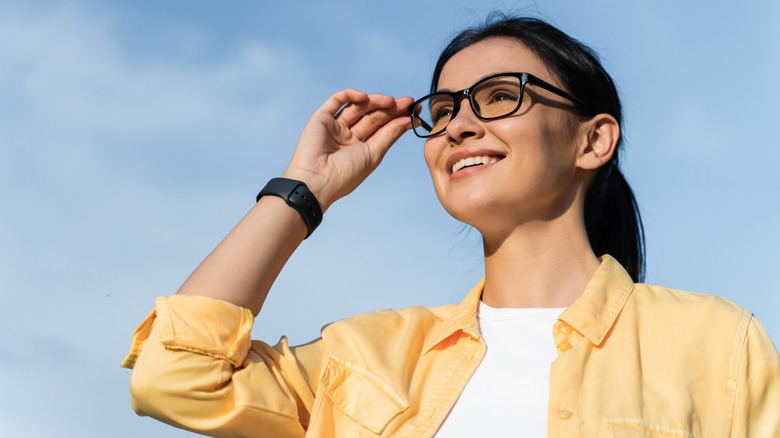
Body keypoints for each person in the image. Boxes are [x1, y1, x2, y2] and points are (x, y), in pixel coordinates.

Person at [122, 14, 780, 437]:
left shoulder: (715, 344)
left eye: (500, 97)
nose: (460, 124)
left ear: (593, 140)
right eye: (443, 109)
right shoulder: (368, 361)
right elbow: (174, 375)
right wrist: (304, 191)